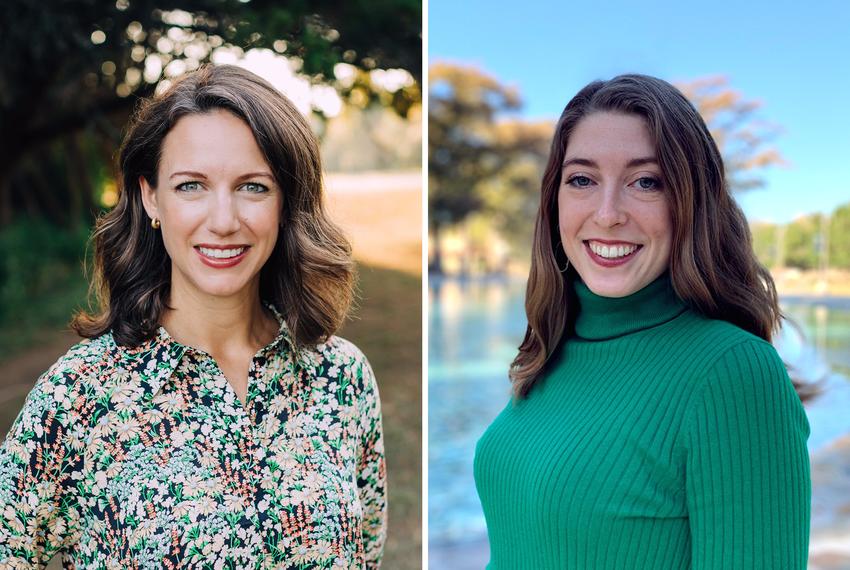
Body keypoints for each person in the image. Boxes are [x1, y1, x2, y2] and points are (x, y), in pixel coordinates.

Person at [0, 64, 386, 569]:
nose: (224, 221)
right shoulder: (79, 395)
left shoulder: (342, 378)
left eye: (253, 187)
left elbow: (367, 552)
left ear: (286, 202)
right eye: (191, 186)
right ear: (150, 195)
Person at [473, 74, 810, 569]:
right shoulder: (551, 348)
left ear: (690, 203)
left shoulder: (735, 373)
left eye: (646, 182)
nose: (607, 214)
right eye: (582, 180)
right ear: (555, 199)